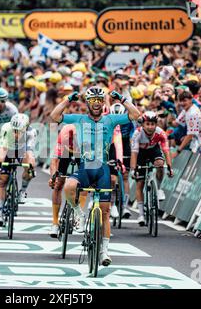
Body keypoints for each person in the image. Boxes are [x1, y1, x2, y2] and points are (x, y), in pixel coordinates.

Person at [50, 86, 140, 266]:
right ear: (87, 103)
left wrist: (121, 99)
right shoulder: (79, 119)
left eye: (100, 100)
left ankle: (104, 252)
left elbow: (136, 115)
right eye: (93, 100)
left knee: (105, 213)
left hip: (103, 170)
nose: (97, 104)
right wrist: (68, 99)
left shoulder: (110, 119)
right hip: (85, 167)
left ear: (103, 103)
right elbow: (54, 116)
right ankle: (79, 214)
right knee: (68, 186)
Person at [130, 111, 174, 226]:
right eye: (148, 124)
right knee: (139, 183)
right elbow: (134, 153)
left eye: (153, 124)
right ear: (143, 125)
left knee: (160, 163)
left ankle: (158, 189)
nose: (150, 127)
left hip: (153, 150)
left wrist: (170, 167)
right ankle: (141, 214)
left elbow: (166, 151)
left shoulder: (161, 133)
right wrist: (133, 169)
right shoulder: (137, 133)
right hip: (140, 153)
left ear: (156, 124)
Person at [0, 113, 37, 226]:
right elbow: (3, 151)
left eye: (19, 131)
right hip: (6, 149)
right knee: (2, 180)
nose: (16, 134)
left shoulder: (31, 133)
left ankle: (22, 191)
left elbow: (30, 153)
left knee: (30, 167)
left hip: (22, 150)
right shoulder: (6, 129)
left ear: (26, 128)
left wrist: (31, 167)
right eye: (14, 130)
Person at [48, 124, 83, 238]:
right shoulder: (63, 136)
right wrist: (53, 177)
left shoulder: (85, 138)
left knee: (83, 183)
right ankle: (55, 223)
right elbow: (54, 161)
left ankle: (78, 216)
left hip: (82, 152)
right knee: (58, 184)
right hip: (65, 152)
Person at [172, 91, 201, 158]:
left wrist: (178, 151)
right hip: (196, 145)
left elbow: (190, 135)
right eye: (181, 101)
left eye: (185, 101)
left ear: (191, 100)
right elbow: (176, 123)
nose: (182, 103)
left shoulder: (192, 114)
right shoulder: (188, 109)